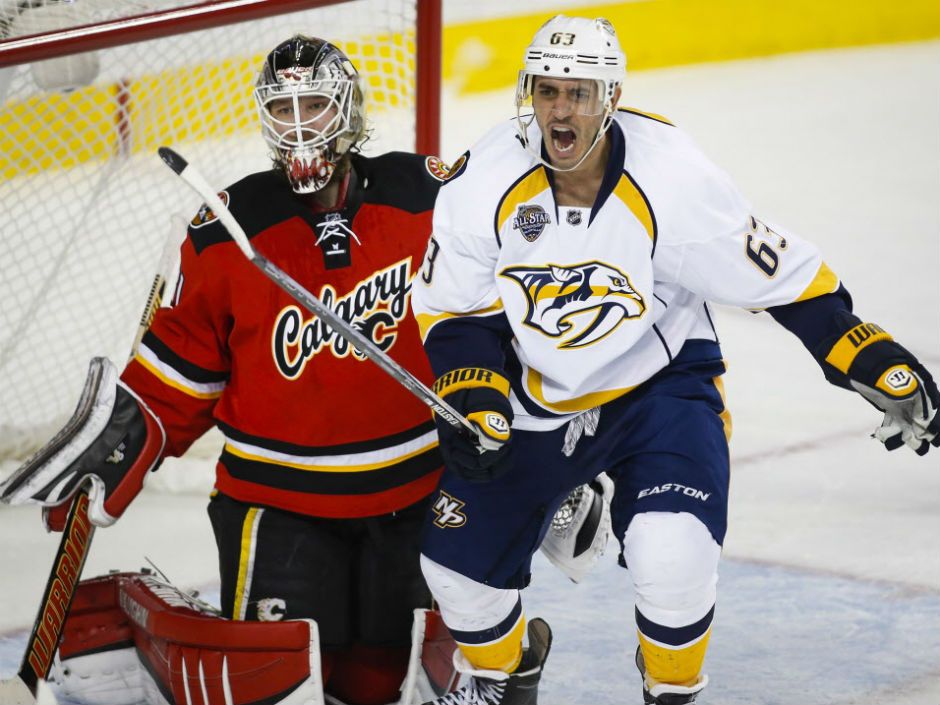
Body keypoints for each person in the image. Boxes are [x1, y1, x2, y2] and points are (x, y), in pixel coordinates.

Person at [410, 14, 940, 705]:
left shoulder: (673, 177)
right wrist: (475, 388)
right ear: (528, 94)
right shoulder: (484, 180)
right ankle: (504, 678)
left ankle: (671, 691)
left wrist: (862, 350)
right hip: (535, 394)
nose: (560, 109)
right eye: (547, 90)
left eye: (578, 92)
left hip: (655, 389)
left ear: (610, 96)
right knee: (454, 569)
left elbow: (777, 277)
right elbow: (456, 309)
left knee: (674, 552)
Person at [3, 35, 448, 705]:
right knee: (280, 683)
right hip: (279, 508)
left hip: (416, 495)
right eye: (283, 108)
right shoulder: (226, 231)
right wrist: (124, 436)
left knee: (406, 682)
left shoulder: (426, 197)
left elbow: (491, 321)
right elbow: (178, 378)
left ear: (349, 110)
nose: (298, 126)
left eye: (316, 106)